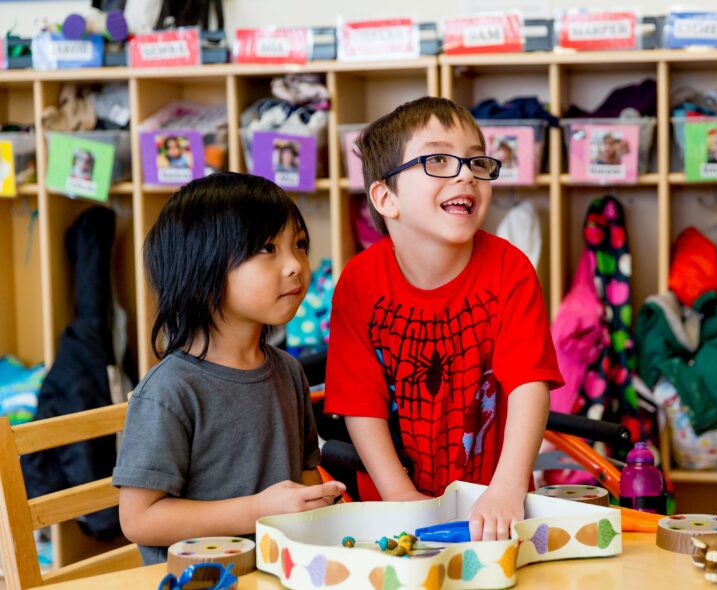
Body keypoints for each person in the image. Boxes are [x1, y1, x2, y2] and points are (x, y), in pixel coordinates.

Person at [324, 97, 563, 541]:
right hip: (389, 517)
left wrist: (507, 488)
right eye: (438, 159)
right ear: (386, 198)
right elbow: (360, 405)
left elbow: (530, 384)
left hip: (494, 511)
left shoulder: (511, 270)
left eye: (476, 160)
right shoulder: (358, 282)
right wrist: (398, 496)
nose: (466, 173)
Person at [113, 172, 345, 565]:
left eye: (300, 245)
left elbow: (306, 479)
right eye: (268, 248)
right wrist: (258, 509)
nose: (295, 265)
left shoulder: (288, 372)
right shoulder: (170, 390)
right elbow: (138, 519)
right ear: (200, 275)